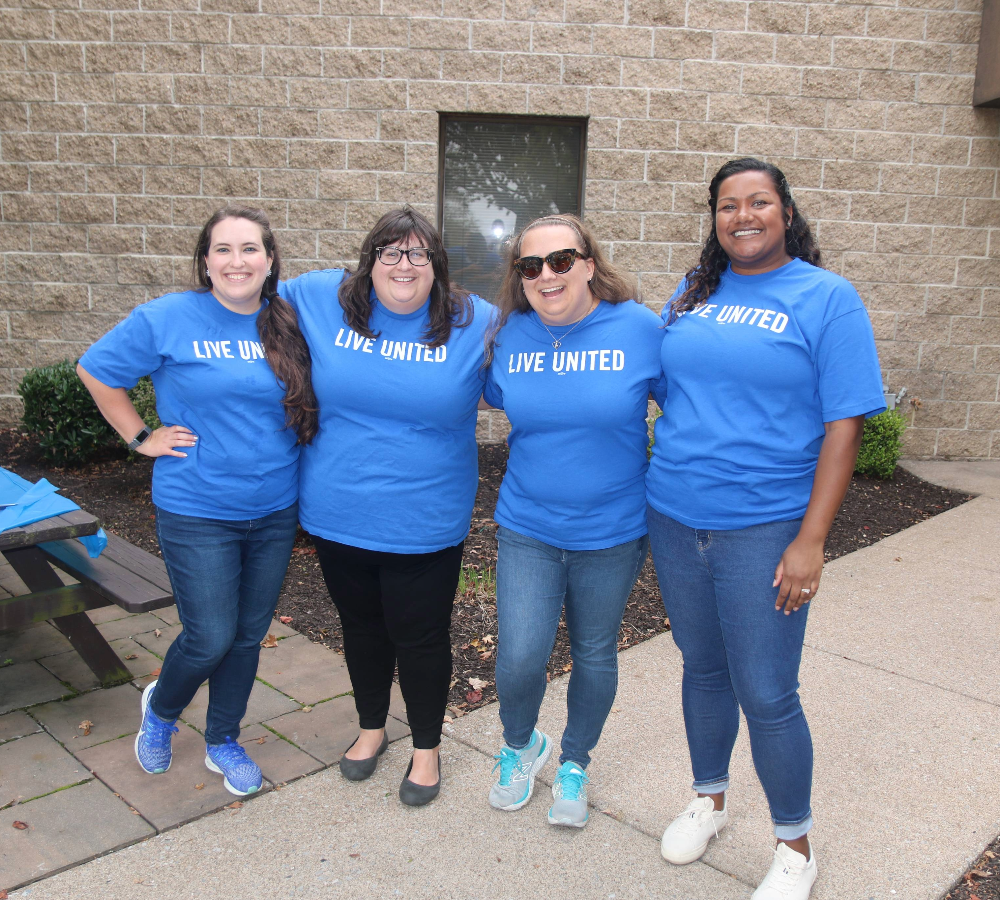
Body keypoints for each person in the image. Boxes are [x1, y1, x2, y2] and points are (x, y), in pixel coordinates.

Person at [648, 158, 885, 900]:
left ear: (786, 212)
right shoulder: (692, 294)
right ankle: (709, 800)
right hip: (675, 515)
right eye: (728, 204)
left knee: (768, 689)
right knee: (702, 667)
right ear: (713, 216)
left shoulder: (826, 298)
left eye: (759, 202)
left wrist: (811, 539)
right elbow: (658, 390)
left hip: (765, 525)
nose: (742, 216)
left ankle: (795, 847)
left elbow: (843, 426)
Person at [77, 206, 317, 797]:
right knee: (209, 634)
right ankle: (161, 709)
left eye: (250, 249)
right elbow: (96, 370)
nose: (237, 261)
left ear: (269, 260)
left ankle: (222, 738)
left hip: (275, 507)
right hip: (198, 507)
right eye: (223, 250)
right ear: (205, 262)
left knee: (246, 633)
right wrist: (140, 437)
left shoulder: (287, 322)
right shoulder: (168, 317)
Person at [277, 207, 493, 806]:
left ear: (438, 267)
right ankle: (372, 728)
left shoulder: (473, 321)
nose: (404, 264)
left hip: (425, 521)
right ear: (369, 262)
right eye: (390, 253)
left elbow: (544, 337)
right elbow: (246, 289)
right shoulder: (325, 298)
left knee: (419, 637)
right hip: (337, 513)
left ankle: (426, 749)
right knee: (362, 629)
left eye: (419, 253)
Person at [482, 214, 665, 828]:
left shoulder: (639, 328)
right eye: (530, 267)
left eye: (561, 260)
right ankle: (520, 746)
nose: (546, 276)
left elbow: (690, 408)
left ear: (590, 263)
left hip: (612, 533)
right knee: (520, 655)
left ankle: (576, 763)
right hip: (528, 525)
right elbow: (461, 392)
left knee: (593, 651)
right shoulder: (511, 337)